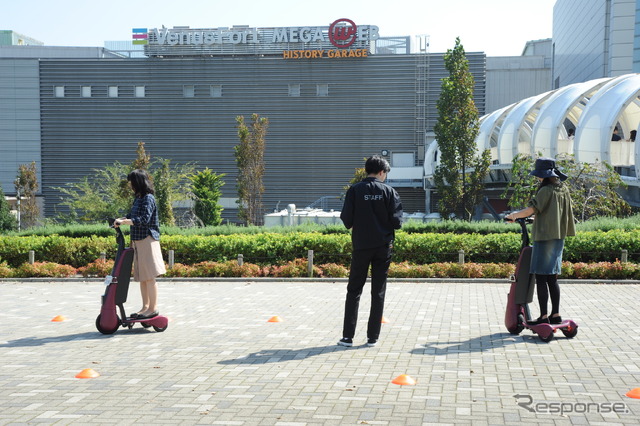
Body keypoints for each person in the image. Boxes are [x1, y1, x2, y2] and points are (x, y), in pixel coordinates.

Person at [338, 156, 403, 347]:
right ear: (382, 172)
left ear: (368, 170)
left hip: (361, 246)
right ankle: (372, 337)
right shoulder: (390, 192)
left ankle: (347, 337)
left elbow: (346, 219)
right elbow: (397, 223)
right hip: (383, 247)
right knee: (378, 291)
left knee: (354, 290)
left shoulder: (355, 190)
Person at [504, 158, 575, 325]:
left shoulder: (546, 190)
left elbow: (531, 209)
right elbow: (554, 212)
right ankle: (555, 314)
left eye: (538, 176)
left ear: (544, 175)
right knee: (552, 278)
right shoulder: (562, 188)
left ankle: (543, 317)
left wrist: (513, 215)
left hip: (544, 238)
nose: (537, 178)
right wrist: (539, 217)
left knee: (541, 278)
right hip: (558, 238)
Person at [114, 169, 166, 319]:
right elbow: (132, 216)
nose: (131, 186)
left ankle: (153, 308)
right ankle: (145, 308)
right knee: (142, 277)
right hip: (137, 241)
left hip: (147, 240)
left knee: (149, 277)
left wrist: (124, 222)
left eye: (132, 183)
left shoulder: (148, 198)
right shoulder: (138, 198)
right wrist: (121, 219)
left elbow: (144, 219)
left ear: (138, 183)